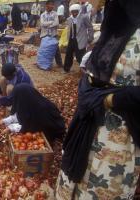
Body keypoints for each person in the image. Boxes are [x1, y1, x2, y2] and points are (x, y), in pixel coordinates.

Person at [56, 1, 140, 199]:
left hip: (118, 132)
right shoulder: (114, 27)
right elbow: (93, 70)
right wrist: (88, 90)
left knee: (103, 186)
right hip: (88, 120)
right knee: (73, 180)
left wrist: (111, 99)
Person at [63, 4, 93, 73]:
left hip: (80, 39)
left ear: (79, 11)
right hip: (71, 39)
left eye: (76, 12)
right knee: (68, 54)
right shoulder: (69, 19)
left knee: (80, 55)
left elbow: (90, 27)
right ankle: (66, 69)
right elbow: (69, 29)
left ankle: (84, 70)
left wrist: (90, 38)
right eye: (72, 12)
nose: (74, 13)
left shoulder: (84, 17)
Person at [38, 0, 63, 70]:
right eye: (51, 5)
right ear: (47, 6)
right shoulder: (42, 15)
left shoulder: (55, 14)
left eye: (53, 5)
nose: (52, 6)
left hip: (53, 35)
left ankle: (60, 63)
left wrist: (48, 24)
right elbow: (42, 24)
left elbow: (57, 23)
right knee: (43, 50)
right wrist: (51, 22)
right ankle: (42, 63)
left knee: (56, 50)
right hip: (45, 35)